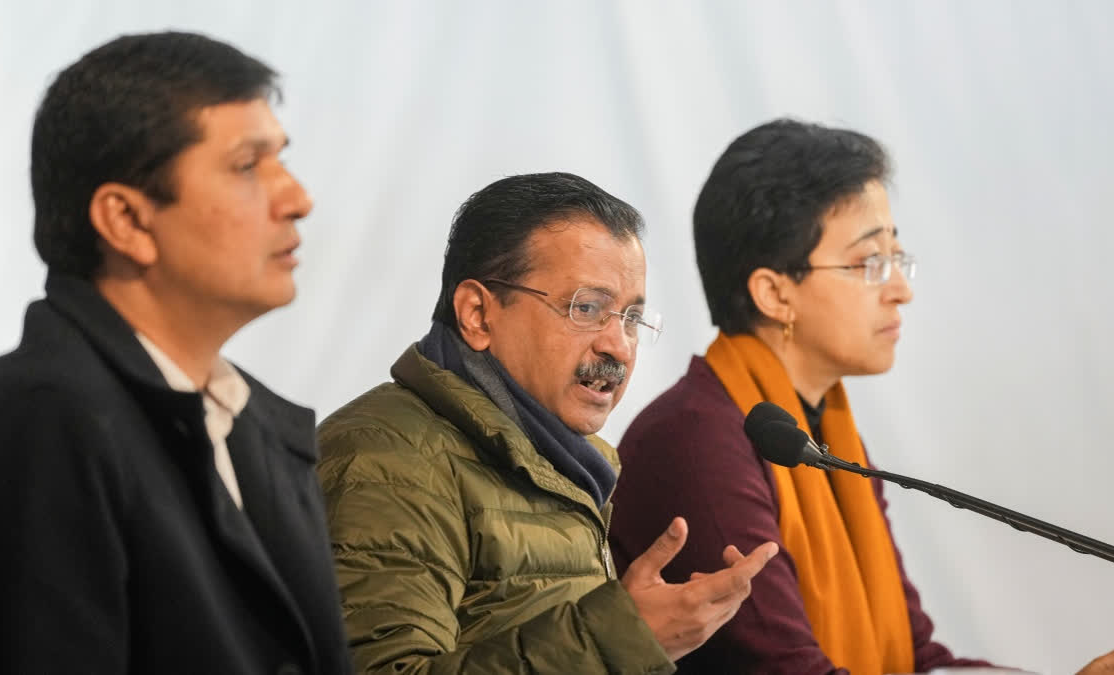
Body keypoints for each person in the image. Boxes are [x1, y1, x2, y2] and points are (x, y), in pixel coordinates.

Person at [607, 119, 1114, 674]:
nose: (901, 290)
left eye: (897, 259)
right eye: (870, 264)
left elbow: (917, 660)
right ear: (774, 292)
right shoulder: (696, 441)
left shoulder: (817, 432)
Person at [316, 172, 779, 673]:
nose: (619, 346)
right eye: (587, 308)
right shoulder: (386, 459)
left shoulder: (572, 463)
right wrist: (620, 639)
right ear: (477, 314)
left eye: (631, 318)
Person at [0, 32, 351, 674]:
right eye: (248, 166)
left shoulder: (256, 424)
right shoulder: (38, 421)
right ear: (127, 221)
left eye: (282, 160)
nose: (297, 198)